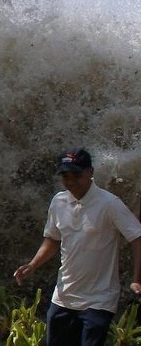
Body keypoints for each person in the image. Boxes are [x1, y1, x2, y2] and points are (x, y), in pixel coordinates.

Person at [13, 147, 141, 346]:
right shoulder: (58, 202)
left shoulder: (110, 204)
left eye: (76, 175)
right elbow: (52, 240)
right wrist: (33, 264)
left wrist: (137, 279)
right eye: (65, 175)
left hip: (99, 300)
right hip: (63, 297)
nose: (70, 181)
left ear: (90, 172)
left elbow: (137, 237)